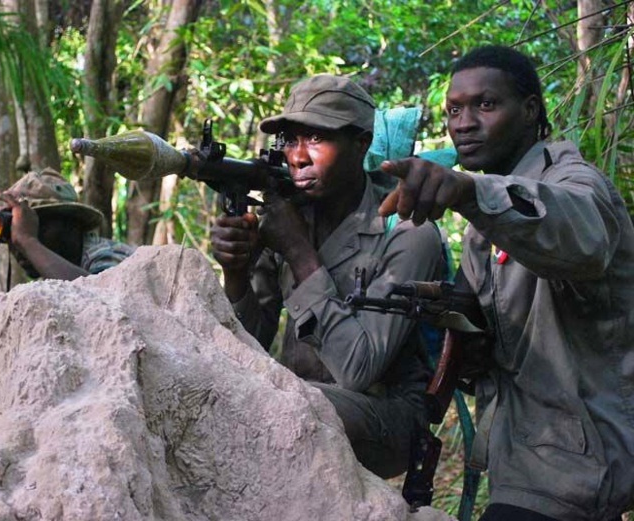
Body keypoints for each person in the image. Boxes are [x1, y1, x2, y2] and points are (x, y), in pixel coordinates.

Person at [378, 45, 634, 520]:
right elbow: (489, 347)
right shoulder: (483, 224)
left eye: (486, 105)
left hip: (577, 471)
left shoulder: (575, 180)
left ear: (531, 110)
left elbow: (580, 234)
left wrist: (469, 191)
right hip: (524, 465)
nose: (464, 122)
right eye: (454, 109)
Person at [210, 74, 446, 478]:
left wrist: (299, 252)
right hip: (295, 399)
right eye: (289, 139)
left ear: (361, 144)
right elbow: (248, 343)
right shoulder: (287, 215)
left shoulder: (407, 231)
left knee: (283, 405)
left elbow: (359, 369)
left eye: (316, 138)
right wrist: (235, 273)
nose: (298, 157)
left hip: (387, 416)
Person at [0, 168, 134, 280]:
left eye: (34, 227)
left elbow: (102, 304)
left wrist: (28, 241)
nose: (16, 243)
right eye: (13, 231)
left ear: (71, 224)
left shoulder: (108, 256)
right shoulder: (59, 274)